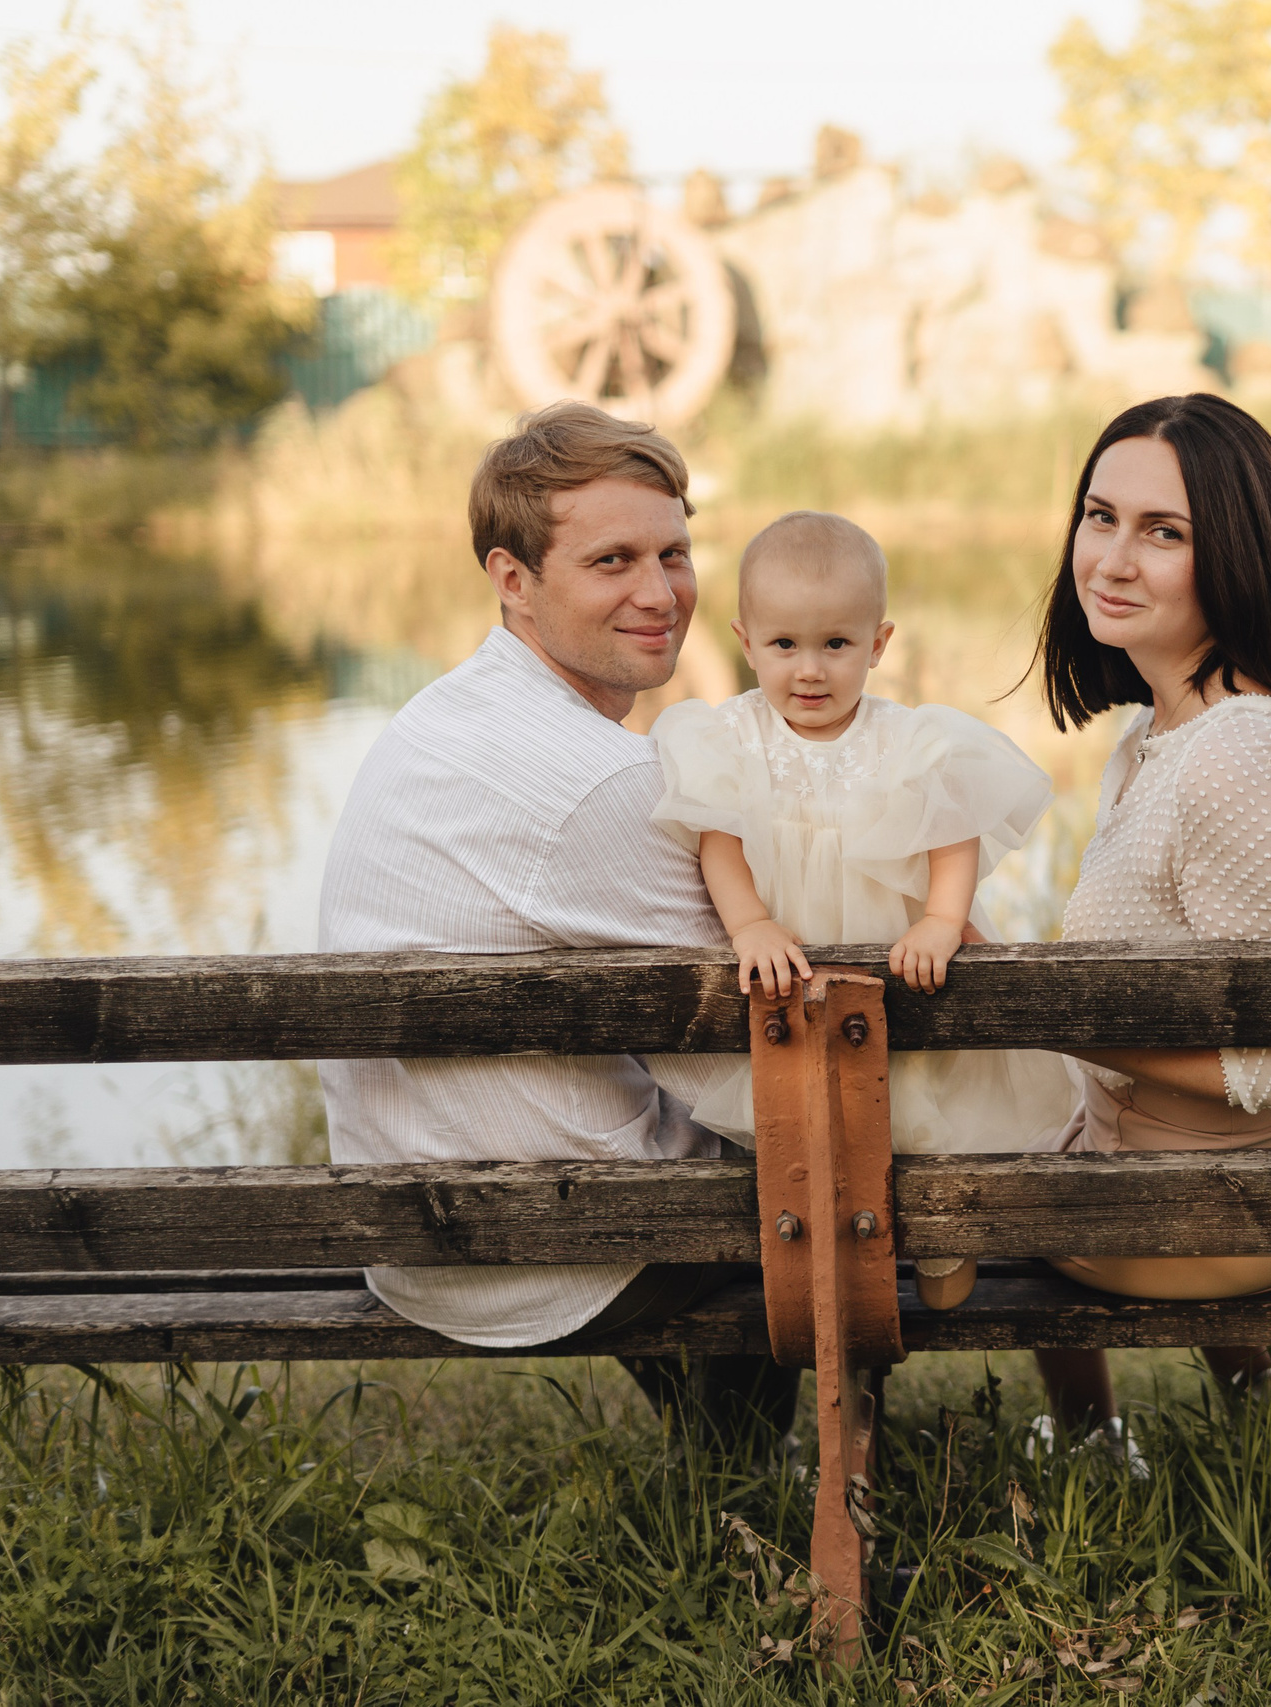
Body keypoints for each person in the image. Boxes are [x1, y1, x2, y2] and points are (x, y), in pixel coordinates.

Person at [316, 400, 793, 1442]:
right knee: (818, 1166)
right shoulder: (602, 782)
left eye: (674, 552)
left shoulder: (442, 713)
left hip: (407, 1223)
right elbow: (750, 1060)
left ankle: (728, 1479)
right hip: (535, 1250)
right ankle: (765, 1502)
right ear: (512, 578)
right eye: (613, 561)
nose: (661, 593)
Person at [1024, 392, 1271, 1437]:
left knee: (946, 1177)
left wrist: (1073, 1025)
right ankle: (1250, 1411)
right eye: (1099, 517)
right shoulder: (1159, 734)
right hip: (1210, 1162)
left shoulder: (1239, 760)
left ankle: (1087, 1442)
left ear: (1236, 558)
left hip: (1267, 1197)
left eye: (1163, 533)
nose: (1109, 559)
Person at [645, 511, 1077, 1306]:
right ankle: (830, 1245)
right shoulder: (730, 737)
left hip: (897, 967)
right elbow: (720, 843)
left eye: (836, 645)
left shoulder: (908, 738)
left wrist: (943, 920)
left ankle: (942, 1230)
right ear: (746, 640)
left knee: (923, 1102)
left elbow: (955, 833)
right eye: (784, 646)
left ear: (877, 644)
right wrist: (751, 925)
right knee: (812, 1119)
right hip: (794, 972)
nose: (809, 670)